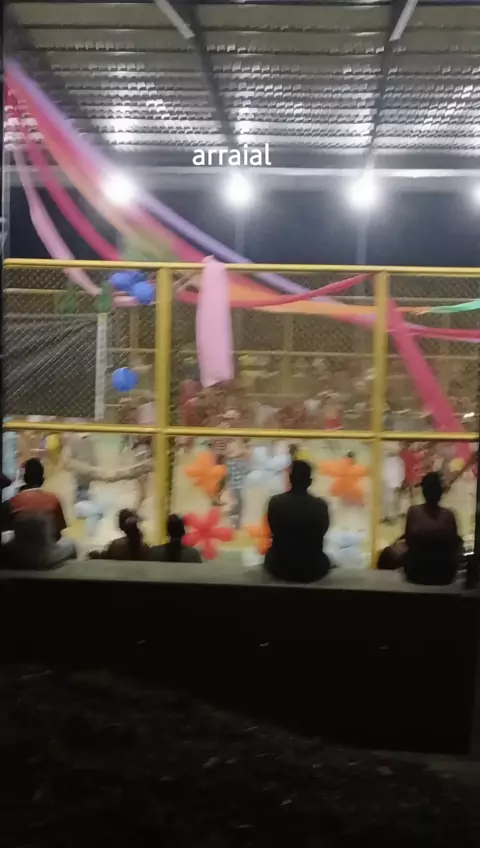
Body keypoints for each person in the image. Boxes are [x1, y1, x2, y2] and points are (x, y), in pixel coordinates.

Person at [264, 460, 330, 583]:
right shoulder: (320, 505)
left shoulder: (276, 503)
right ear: (309, 481)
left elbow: (273, 529)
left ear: (290, 479)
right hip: (313, 568)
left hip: (279, 566)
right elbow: (322, 532)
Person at [402, 472, 462, 585]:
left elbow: (409, 542)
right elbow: (454, 545)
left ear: (424, 491)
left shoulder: (414, 512)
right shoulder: (449, 515)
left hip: (417, 572)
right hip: (444, 573)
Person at [9, 458, 69, 543]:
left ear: (25, 478)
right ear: (42, 479)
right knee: (68, 543)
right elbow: (59, 532)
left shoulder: (13, 502)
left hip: (21, 548)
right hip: (48, 548)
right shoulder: (53, 500)